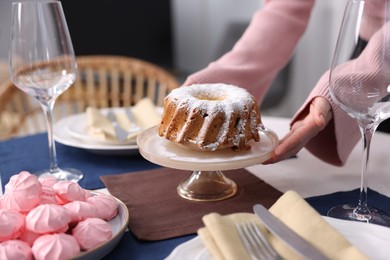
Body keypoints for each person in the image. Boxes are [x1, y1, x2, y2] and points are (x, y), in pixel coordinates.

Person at [183, 0, 386, 166]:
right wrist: (221, 81)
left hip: (377, 60)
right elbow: (287, 7)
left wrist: (340, 87)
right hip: (367, 48)